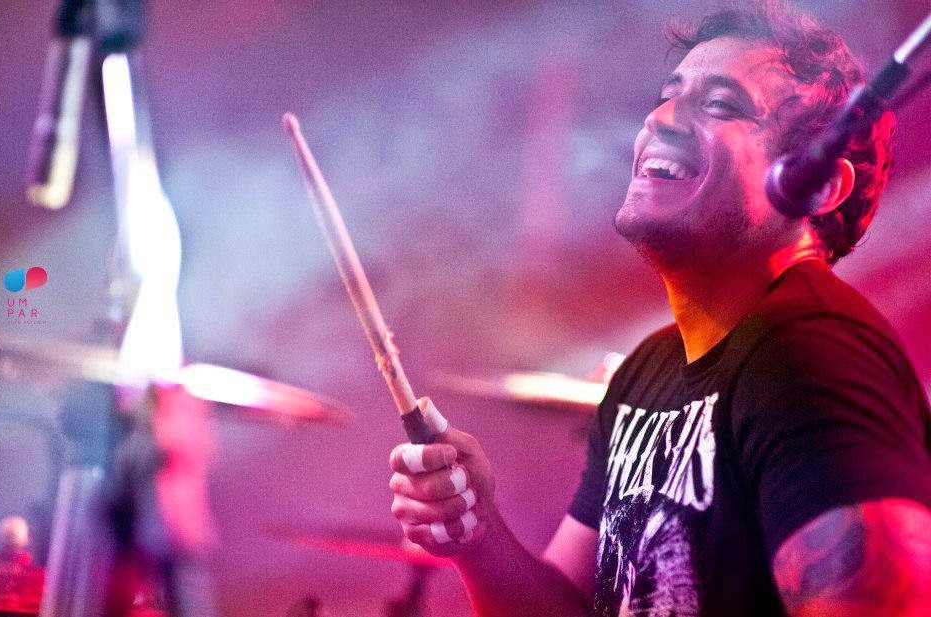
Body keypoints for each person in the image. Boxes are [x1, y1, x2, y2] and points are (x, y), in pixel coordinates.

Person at [387, 4, 931, 616]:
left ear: (821, 185)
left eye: (721, 105)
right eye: (668, 96)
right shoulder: (648, 370)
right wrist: (479, 538)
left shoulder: (812, 357)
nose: (661, 118)